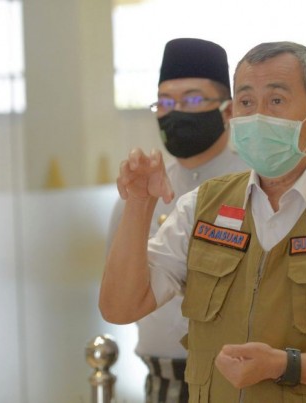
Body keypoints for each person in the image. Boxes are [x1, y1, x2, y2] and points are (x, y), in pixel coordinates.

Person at [101, 41, 306, 402]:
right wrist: (139, 203)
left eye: (275, 100)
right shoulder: (201, 207)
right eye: (246, 102)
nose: (257, 116)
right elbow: (121, 307)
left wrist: (287, 366)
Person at [105, 38, 248, 402]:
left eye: (193, 100)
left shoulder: (255, 186)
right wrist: (139, 203)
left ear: (228, 110)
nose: (176, 112)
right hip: (163, 381)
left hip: (240, 380)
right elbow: (117, 293)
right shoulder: (137, 195)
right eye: (166, 102)